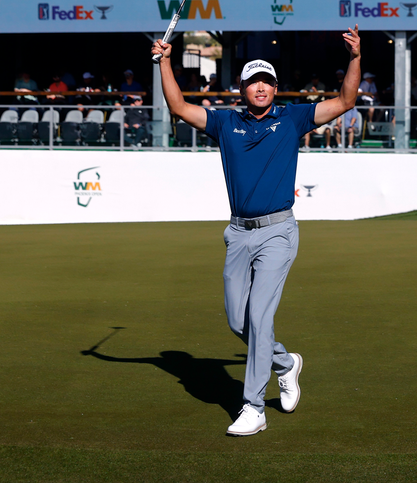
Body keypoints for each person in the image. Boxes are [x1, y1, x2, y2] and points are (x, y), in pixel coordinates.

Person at [149, 25, 362, 436]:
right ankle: (285, 362)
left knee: (260, 317)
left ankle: (253, 407)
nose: (260, 88)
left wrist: (354, 57)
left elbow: (346, 100)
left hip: (278, 232)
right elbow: (177, 106)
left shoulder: (293, 118)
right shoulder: (225, 123)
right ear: (242, 88)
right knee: (237, 320)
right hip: (238, 233)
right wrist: (166, 61)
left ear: (275, 88)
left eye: (266, 81)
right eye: (253, 82)